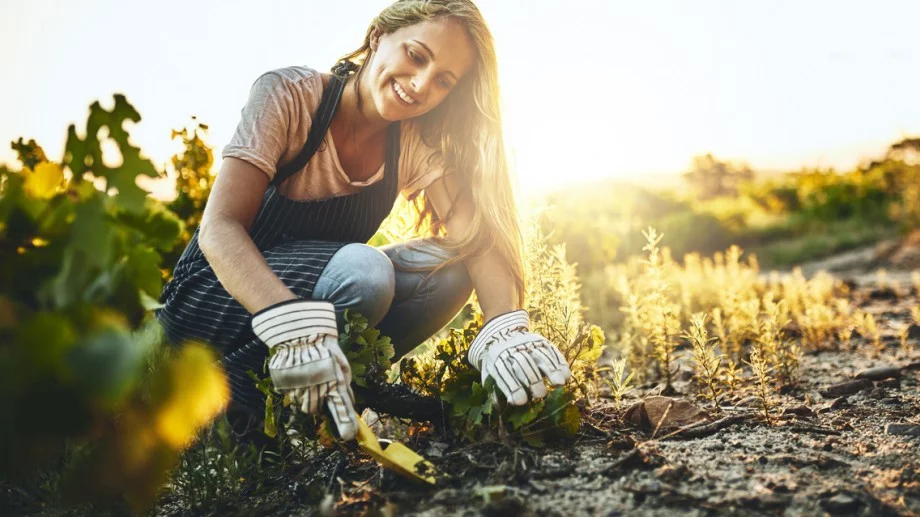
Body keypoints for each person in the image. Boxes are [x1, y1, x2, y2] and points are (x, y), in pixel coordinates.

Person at [156, 0, 571, 442]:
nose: (421, 84)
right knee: (365, 272)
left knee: (450, 271)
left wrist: (506, 325)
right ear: (378, 36)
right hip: (205, 302)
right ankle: (234, 415)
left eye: (443, 80)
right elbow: (219, 228)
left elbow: (475, 237)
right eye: (416, 55)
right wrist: (293, 325)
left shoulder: (412, 142)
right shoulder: (290, 95)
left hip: (305, 317)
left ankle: (310, 415)